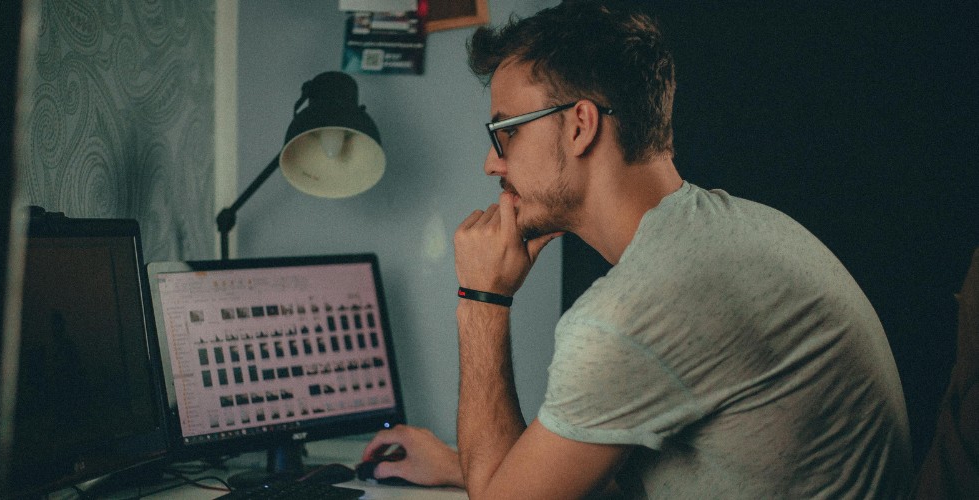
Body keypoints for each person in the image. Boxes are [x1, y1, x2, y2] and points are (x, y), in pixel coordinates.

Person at [361, 2, 913, 498]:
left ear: (580, 126)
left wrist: (481, 298)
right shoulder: (735, 233)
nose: (492, 163)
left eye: (506, 131)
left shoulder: (633, 311)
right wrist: (464, 466)